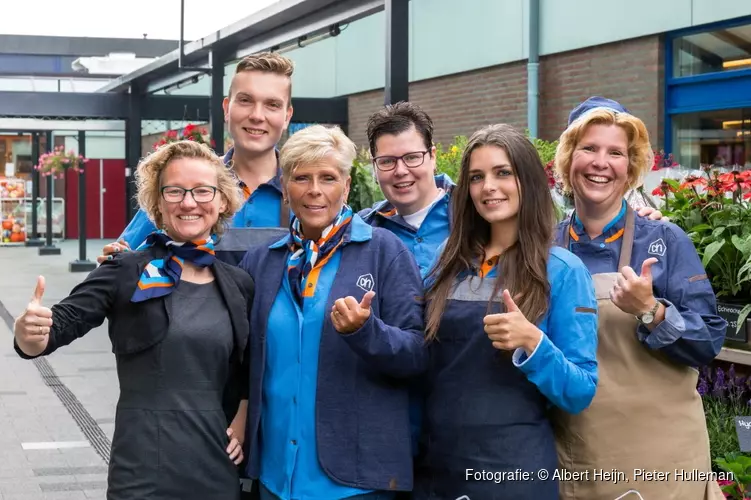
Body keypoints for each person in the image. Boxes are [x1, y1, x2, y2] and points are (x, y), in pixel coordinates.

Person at [13, 141, 253, 500]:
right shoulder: (126, 271)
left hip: (215, 467)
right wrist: (27, 332)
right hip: (142, 470)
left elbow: (248, 368)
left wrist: (243, 418)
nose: (189, 202)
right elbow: (57, 326)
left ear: (222, 201)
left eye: (203, 191)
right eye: (174, 191)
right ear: (157, 202)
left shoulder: (238, 284)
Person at [552, 96, 727, 499]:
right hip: (581, 455)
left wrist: (651, 311)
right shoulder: (545, 246)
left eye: (616, 153)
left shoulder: (665, 240)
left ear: (630, 169)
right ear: (567, 160)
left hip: (664, 458)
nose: (601, 162)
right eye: (589, 149)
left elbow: (709, 342)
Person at [238, 124, 426, 500]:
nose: (314, 190)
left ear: (346, 183)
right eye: (301, 178)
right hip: (276, 476)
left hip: (354, 481)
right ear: (285, 185)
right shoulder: (261, 261)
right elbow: (242, 358)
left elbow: (418, 356)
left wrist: (366, 332)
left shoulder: (384, 251)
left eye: (328, 177)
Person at [412, 123, 599, 500]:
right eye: (477, 177)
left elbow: (580, 391)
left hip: (512, 473)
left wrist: (533, 342)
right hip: (437, 467)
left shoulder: (561, 270)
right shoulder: (446, 261)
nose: (488, 187)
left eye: (503, 173)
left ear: (527, 180)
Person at [99, 51, 296, 263]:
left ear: (287, 117)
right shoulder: (183, 180)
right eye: (245, 100)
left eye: (272, 105)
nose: (257, 115)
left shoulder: (304, 191)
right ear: (227, 109)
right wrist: (114, 263)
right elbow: (121, 257)